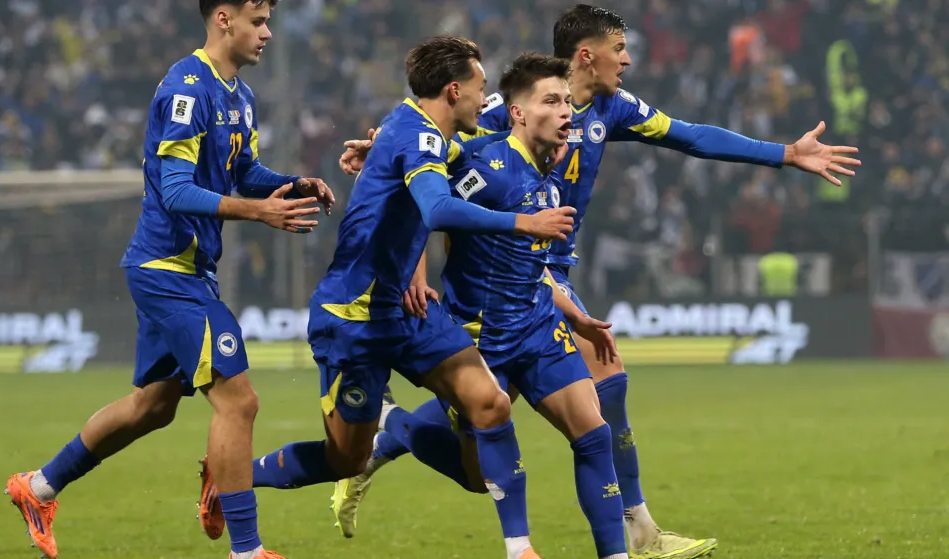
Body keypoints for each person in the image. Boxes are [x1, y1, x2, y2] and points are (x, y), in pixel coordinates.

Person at [336, 5, 861, 559]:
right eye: (620, 48)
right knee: (487, 438)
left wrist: (783, 154)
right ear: (587, 54)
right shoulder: (504, 110)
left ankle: (634, 528)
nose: (628, 59)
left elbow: (692, 137)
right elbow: (428, 173)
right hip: (501, 280)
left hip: (550, 270)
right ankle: (399, 434)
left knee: (598, 387)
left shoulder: (613, 108)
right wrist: (410, 252)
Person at [199, 36, 577, 559]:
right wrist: (525, 221)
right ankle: (231, 476)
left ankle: (520, 549)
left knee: (489, 404)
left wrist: (376, 148)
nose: (482, 100)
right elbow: (438, 209)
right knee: (345, 461)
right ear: (452, 90)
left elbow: (460, 149)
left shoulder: (420, 128)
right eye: (478, 89)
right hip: (353, 319)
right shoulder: (419, 137)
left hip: (407, 310)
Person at [4, 2, 335, 559]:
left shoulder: (240, 96)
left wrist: (291, 183)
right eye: (258, 20)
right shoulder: (186, 90)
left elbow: (243, 172)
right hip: (166, 270)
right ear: (224, 19)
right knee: (240, 403)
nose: (269, 32)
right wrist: (259, 212)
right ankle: (247, 551)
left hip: (186, 270)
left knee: (153, 406)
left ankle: (38, 487)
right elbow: (176, 189)